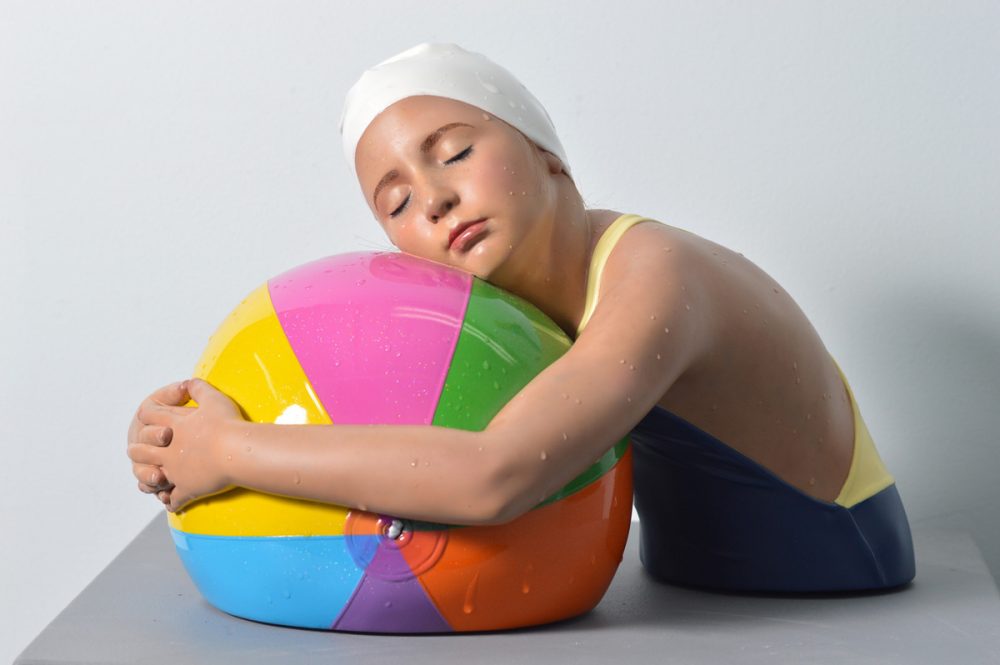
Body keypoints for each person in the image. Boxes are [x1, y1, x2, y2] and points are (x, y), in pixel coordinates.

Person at [127, 43, 915, 592]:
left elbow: (491, 474)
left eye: (455, 153)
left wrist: (229, 449)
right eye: (396, 203)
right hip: (696, 591)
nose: (434, 199)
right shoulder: (512, 314)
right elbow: (383, 414)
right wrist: (180, 432)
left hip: (831, 563)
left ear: (548, 153)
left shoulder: (657, 274)